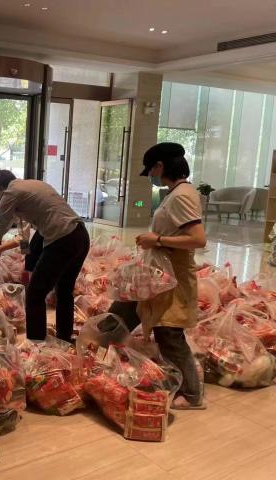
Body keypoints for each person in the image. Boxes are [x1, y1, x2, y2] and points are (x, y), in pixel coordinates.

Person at [109, 142, 207, 410]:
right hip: (159, 273)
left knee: (169, 333)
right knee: (121, 312)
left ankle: (192, 394)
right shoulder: (176, 192)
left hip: (173, 276)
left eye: (151, 170)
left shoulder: (182, 195)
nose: (151, 176)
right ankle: (106, 359)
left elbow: (198, 238)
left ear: (160, 166)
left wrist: (158, 240)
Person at [0, 170, 89, 342]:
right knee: (64, 290)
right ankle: (64, 338)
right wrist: (25, 260)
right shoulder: (32, 186)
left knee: (35, 294)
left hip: (62, 239)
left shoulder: (10, 193)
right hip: (81, 235)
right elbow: (23, 236)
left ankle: (35, 344)